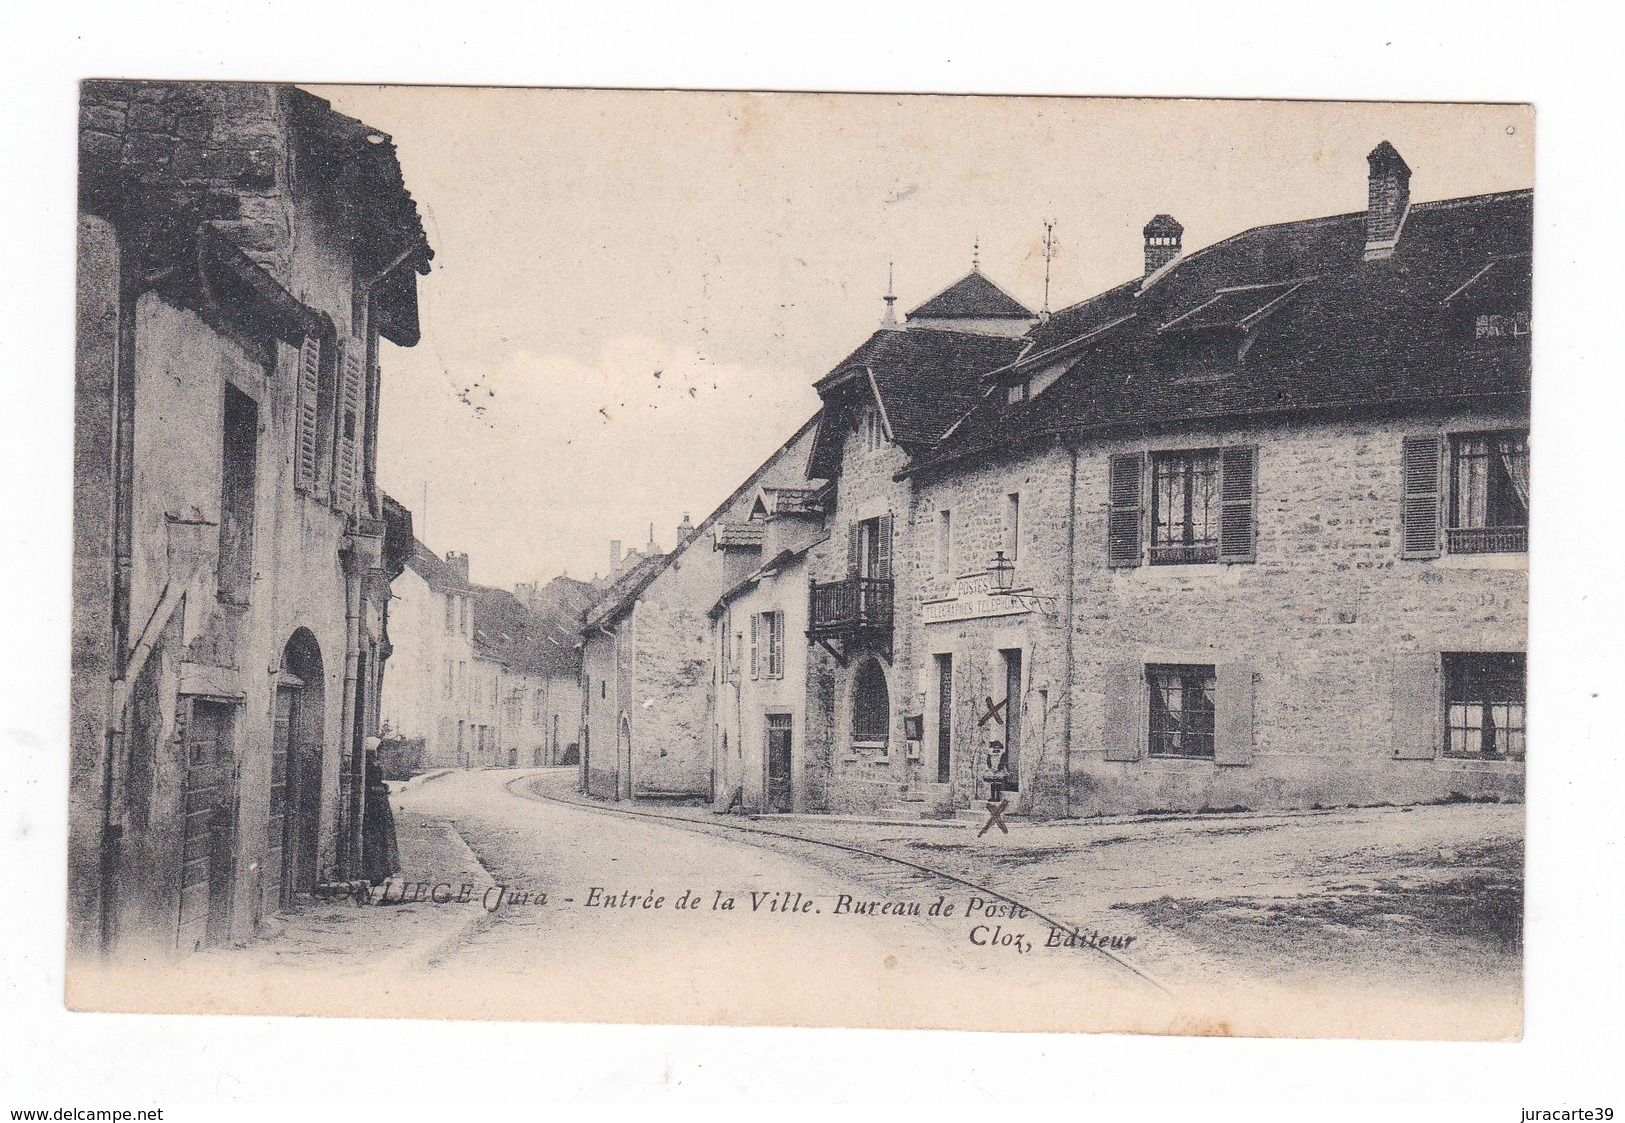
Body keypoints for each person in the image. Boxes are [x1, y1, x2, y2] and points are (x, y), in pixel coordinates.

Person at [361, 736, 401, 885]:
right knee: (375, 836)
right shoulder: (368, 764)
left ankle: (383, 870)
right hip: (374, 804)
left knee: (382, 835)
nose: (380, 752)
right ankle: (375, 871)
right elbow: (368, 783)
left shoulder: (373, 763)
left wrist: (382, 786)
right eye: (378, 749)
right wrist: (379, 788)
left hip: (380, 803)